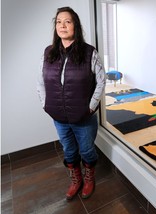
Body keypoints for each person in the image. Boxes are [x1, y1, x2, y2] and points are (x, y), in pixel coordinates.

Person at [37, 6, 106, 200]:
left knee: (87, 150)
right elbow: (40, 80)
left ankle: (89, 177)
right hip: (59, 117)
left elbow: (101, 81)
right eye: (59, 22)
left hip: (83, 117)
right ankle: (76, 180)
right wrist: (45, 103)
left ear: (75, 25)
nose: (62, 25)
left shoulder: (89, 53)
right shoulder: (48, 52)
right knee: (69, 150)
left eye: (67, 21)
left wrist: (91, 106)